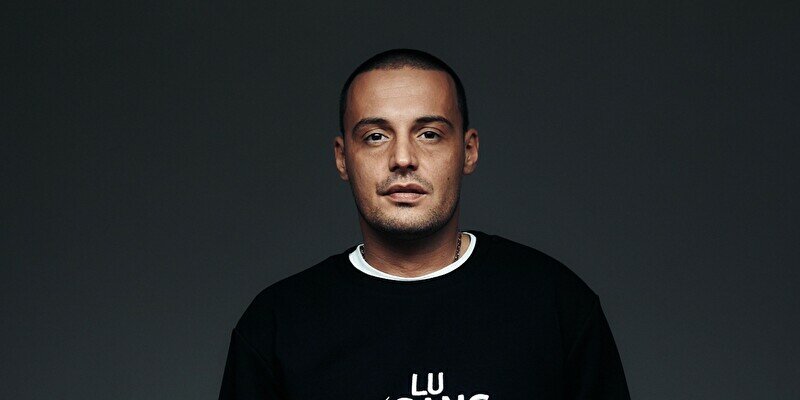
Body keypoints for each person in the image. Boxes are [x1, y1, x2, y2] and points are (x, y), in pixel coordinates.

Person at [218, 48, 630, 399]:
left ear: (468, 150)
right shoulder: (278, 325)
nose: (402, 158)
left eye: (429, 134)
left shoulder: (555, 305)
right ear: (343, 157)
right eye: (376, 136)